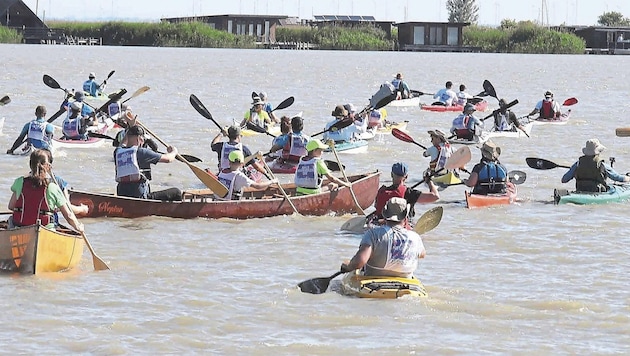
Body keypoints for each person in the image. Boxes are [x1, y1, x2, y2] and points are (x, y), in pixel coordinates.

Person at [340, 197, 426, 278]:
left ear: (385, 215)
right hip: (405, 278)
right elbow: (422, 254)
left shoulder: (373, 234)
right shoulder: (415, 237)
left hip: (374, 277)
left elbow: (360, 262)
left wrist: (348, 266)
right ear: (405, 218)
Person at [8, 149, 84, 232]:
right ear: (48, 166)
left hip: (20, 228)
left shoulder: (20, 182)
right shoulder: (52, 187)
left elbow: (11, 206)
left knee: (11, 219)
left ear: (30, 165)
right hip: (45, 229)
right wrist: (78, 227)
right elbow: (68, 216)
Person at [114, 125, 182, 201]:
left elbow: (123, 142)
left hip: (122, 195)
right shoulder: (142, 152)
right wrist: (174, 152)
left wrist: (130, 127)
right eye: (143, 139)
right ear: (139, 138)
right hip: (140, 197)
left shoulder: (118, 152)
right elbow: (168, 159)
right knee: (177, 192)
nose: (143, 141)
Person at [367, 162, 439, 228]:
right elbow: (435, 196)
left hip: (380, 225)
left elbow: (377, 208)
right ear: (406, 177)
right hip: (401, 226)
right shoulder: (409, 193)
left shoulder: (381, 191)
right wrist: (429, 182)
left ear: (392, 174)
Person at [561, 139, 630, 192]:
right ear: (598, 151)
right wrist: (628, 178)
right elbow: (617, 178)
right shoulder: (602, 165)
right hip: (597, 191)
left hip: (581, 189)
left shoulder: (578, 163)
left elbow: (564, 180)